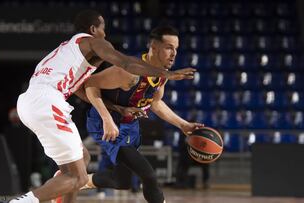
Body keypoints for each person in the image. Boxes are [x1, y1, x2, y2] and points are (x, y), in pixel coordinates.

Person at [0, 10, 195, 203]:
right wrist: (169, 74)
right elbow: (126, 63)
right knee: (77, 177)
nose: (105, 34)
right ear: (93, 30)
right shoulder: (93, 42)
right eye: (103, 28)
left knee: (82, 159)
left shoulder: (67, 51)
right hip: (48, 102)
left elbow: (79, 88)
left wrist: (117, 108)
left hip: (30, 102)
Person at [53, 25, 204, 203]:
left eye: (176, 49)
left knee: (121, 181)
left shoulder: (162, 74)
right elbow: (89, 84)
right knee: (148, 175)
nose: (174, 53)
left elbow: (155, 103)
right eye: (169, 48)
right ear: (153, 47)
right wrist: (106, 117)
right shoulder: (128, 72)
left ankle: (78, 181)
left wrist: (183, 124)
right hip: (106, 123)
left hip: (129, 126)